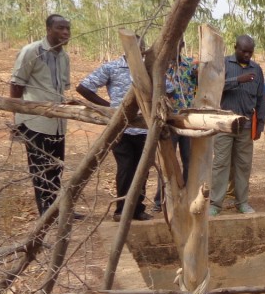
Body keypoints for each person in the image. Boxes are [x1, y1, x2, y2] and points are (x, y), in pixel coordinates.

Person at [77, 38, 153, 222]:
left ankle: (137, 209)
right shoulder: (112, 67)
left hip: (144, 129)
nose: (139, 51)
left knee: (142, 169)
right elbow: (83, 87)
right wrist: (110, 108)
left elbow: (169, 89)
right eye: (134, 47)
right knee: (126, 168)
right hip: (121, 130)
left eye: (141, 48)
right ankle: (121, 210)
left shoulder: (148, 69)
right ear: (126, 48)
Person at [10, 14, 76, 217]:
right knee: (40, 170)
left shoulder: (64, 57)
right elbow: (16, 85)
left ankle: (56, 209)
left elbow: (61, 89)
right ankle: (47, 214)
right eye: (60, 28)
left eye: (67, 28)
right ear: (48, 29)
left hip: (58, 124)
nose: (65, 32)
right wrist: (18, 120)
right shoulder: (32, 52)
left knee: (56, 168)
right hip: (35, 122)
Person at [211, 35, 265, 216]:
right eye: (244, 51)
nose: (247, 55)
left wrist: (260, 125)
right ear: (235, 48)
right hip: (224, 124)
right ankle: (215, 204)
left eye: (250, 52)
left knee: (243, 165)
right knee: (221, 164)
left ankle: (242, 202)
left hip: (246, 126)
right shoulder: (224, 64)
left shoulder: (256, 69)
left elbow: (261, 99)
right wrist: (237, 80)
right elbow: (214, 87)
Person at [154, 39, 196, 212]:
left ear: (182, 45)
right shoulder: (159, 66)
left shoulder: (190, 66)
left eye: (177, 44)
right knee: (166, 161)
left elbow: (199, 85)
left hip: (187, 120)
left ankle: (188, 197)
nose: (174, 47)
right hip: (167, 121)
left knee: (189, 160)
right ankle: (161, 200)